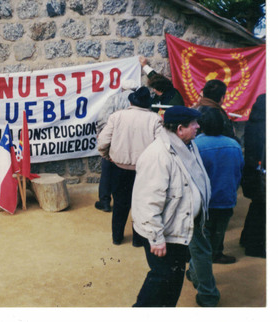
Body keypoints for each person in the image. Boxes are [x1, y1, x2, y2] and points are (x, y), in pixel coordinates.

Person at [132, 106, 211, 307]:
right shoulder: (158, 155)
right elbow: (146, 202)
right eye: (193, 123)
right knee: (161, 278)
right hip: (163, 233)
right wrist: (156, 238)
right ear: (179, 129)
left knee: (173, 279)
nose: (198, 127)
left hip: (178, 228)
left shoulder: (187, 146)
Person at [184, 108, 243, 307]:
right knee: (209, 246)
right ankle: (195, 273)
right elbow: (238, 172)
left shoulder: (194, 145)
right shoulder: (234, 145)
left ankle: (207, 294)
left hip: (201, 205)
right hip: (225, 202)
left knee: (201, 249)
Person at [97, 86, 162, 245]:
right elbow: (162, 146)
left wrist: (108, 157)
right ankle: (138, 240)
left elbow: (102, 142)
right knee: (141, 205)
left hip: (119, 168)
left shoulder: (117, 116)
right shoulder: (155, 119)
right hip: (144, 171)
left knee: (120, 203)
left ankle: (117, 237)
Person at [94, 79, 139, 212]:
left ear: (122, 89)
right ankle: (130, 201)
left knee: (108, 169)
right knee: (132, 171)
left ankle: (105, 201)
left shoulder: (113, 99)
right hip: (133, 141)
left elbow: (103, 119)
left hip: (114, 140)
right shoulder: (140, 102)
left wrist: (101, 135)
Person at [240, 93, 266, 258]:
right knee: (261, 210)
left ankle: (246, 238)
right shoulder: (265, 127)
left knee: (257, 207)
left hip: (251, 173)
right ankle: (254, 246)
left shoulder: (252, 124)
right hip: (262, 176)